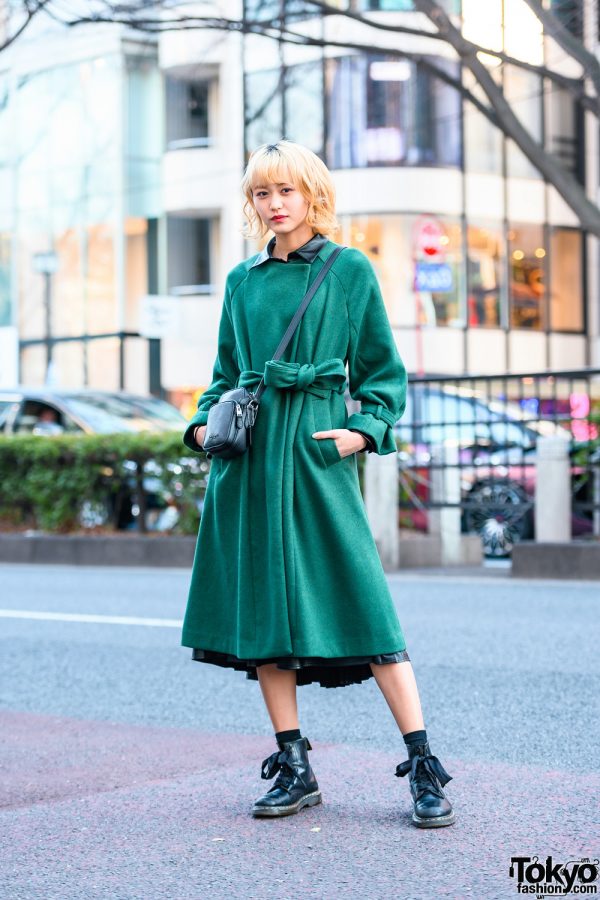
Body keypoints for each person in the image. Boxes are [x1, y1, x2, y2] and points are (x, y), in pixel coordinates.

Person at [181, 139, 455, 828]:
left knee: (368, 611)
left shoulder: (348, 270)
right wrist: (198, 427)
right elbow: (224, 374)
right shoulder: (243, 281)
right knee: (267, 623)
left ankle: (423, 763)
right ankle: (293, 762)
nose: (273, 205)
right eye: (261, 194)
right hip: (248, 466)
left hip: (314, 457)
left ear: (313, 195)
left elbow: (382, 376)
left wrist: (363, 432)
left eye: (285, 191)